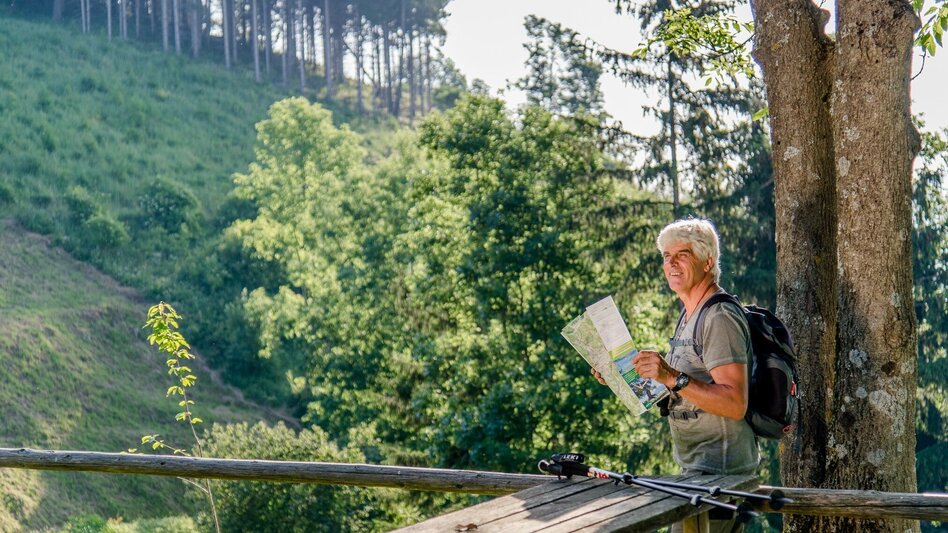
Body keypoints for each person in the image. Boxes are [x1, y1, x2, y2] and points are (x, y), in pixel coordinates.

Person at [592, 217, 759, 533]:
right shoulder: (688, 314)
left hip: (722, 478)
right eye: (666, 256)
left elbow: (735, 403)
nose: (670, 263)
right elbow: (681, 392)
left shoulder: (719, 316)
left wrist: (671, 377)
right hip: (695, 474)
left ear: (707, 261)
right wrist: (625, 375)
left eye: (681, 254)